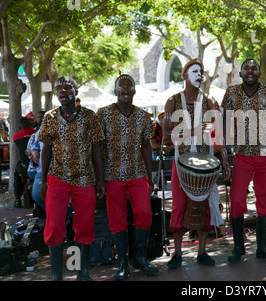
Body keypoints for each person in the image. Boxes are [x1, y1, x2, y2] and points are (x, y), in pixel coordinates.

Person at [163, 59, 231, 268]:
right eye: (194, 71)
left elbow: (221, 135)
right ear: (185, 75)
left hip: (207, 165)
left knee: (206, 208)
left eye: (201, 71)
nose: (199, 75)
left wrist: (226, 162)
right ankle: (177, 254)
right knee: (178, 207)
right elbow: (166, 136)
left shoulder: (210, 101)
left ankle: (202, 252)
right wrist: (191, 132)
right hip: (181, 165)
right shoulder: (172, 101)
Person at [221, 58, 266, 263]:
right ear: (240, 73)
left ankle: (264, 247)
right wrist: (225, 157)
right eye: (246, 69)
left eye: (254, 69)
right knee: (237, 199)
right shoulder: (231, 93)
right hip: (242, 156)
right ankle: (239, 247)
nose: (250, 72)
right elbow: (223, 125)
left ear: (260, 73)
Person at [38, 76, 105, 281]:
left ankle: (81, 271)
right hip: (58, 177)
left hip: (85, 178)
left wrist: (100, 179)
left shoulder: (89, 116)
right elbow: (46, 150)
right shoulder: (49, 117)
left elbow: (96, 150)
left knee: (84, 226)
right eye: (59, 89)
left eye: (67, 88)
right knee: (55, 225)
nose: (62, 92)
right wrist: (43, 180)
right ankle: (57, 275)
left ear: (75, 92)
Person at [97, 74, 159, 280]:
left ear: (134, 91)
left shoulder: (143, 116)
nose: (125, 89)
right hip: (112, 174)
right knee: (117, 219)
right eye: (120, 86)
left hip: (138, 173)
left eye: (129, 86)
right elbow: (97, 147)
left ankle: (140, 258)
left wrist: (150, 176)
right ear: (115, 91)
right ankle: (123, 262)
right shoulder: (103, 114)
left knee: (145, 213)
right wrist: (99, 178)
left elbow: (145, 146)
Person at [13, 117, 37, 207]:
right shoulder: (37, 134)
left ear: (19, 128)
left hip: (24, 166)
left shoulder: (16, 137)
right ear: (31, 124)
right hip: (38, 165)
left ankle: (17, 199)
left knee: (16, 174)